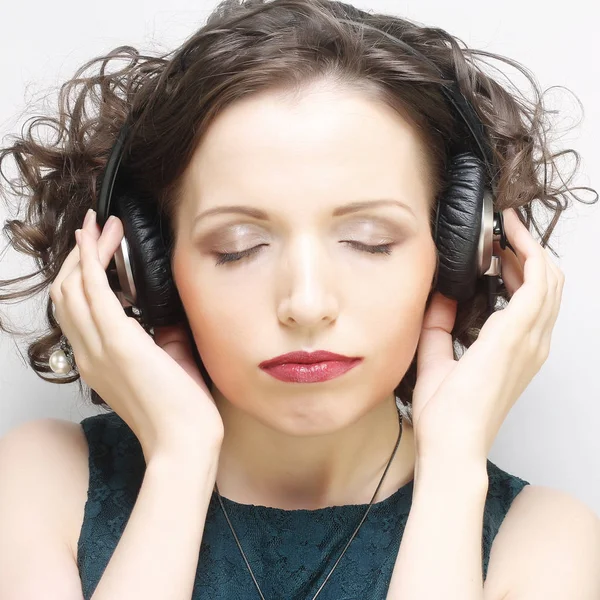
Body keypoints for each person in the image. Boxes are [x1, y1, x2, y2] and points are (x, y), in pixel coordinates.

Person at [0, 0, 598, 598]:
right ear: (144, 270)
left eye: (370, 241)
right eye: (237, 247)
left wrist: (454, 475)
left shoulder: (544, 543)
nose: (306, 304)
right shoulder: (44, 482)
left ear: (458, 255)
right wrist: (179, 463)